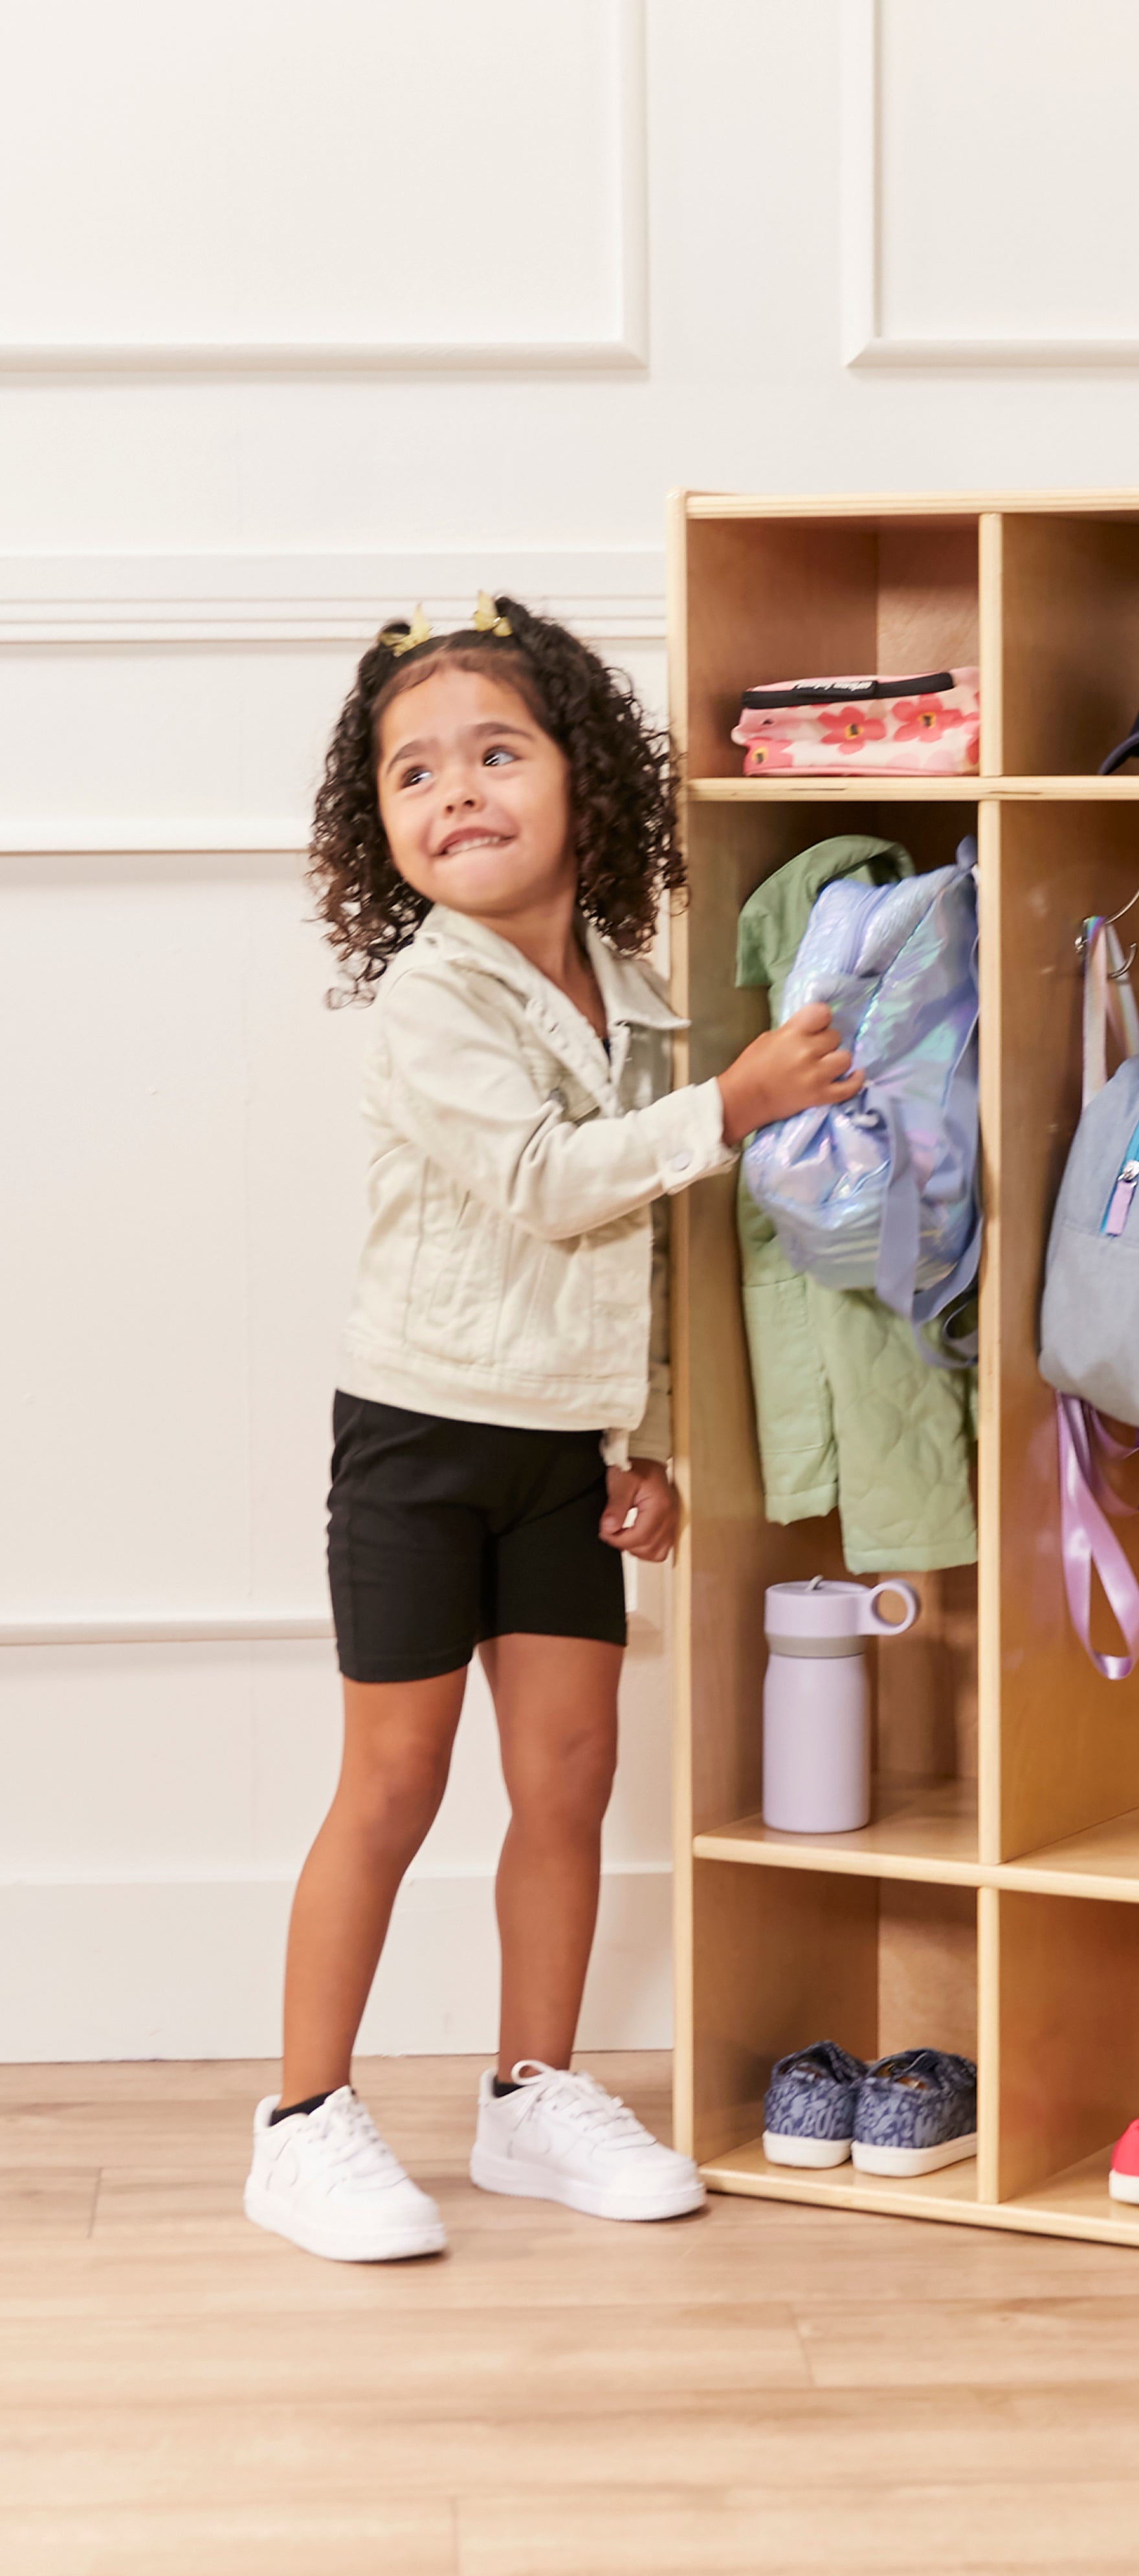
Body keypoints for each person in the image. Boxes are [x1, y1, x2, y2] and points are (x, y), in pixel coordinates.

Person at [244, 595, 859, 2262]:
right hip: (423, 1435)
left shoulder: (637, 995)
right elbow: (545, 1185)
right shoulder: (433, 1003)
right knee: (393, 1778)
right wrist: (727, 1107)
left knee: (571, 1774)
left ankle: (532, 2093)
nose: (456, 794)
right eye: (412, 775)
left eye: (496, 755)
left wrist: (645, 1443)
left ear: (585, 781)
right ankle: (303, 2118)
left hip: (563, 1451)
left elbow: (659, 1257)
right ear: (378, 831)